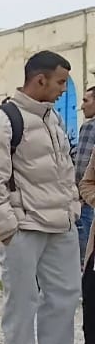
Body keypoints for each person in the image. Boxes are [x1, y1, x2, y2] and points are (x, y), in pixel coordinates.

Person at [0, 51, 90, 344]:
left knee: (65, 294)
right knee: (22, 298)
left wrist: (73, 210)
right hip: (24, 227)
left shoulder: (52, 119)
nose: (63, 90)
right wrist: (8, 230)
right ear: (39, 80)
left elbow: (65, 170)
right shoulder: (3, 122)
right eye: (59, 83)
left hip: (61, 224)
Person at [76, 88, 95, 254]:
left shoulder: (90, 127)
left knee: (85, 258)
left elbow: (82, 166)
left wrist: (79, 195)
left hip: (88, 201)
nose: (82, 106)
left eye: (86, 101)